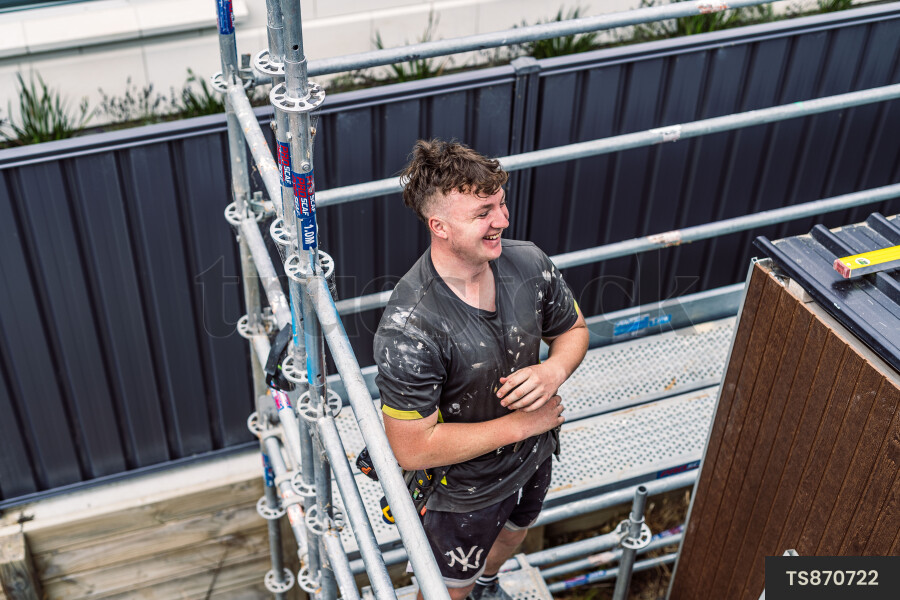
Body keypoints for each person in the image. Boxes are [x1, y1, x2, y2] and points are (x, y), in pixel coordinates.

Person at [374, 139, 589, 600]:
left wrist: (553, 372)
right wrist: (523, 423)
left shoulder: (528, 260)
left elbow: (574, 330)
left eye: (502, 204)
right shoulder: (410, 328)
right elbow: (412, 449)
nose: (503, 221)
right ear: (440, 226)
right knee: (446, 591)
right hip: (463, 491)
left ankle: (487, 584)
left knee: (513, 535)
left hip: (533, 457)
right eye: (483, 213)